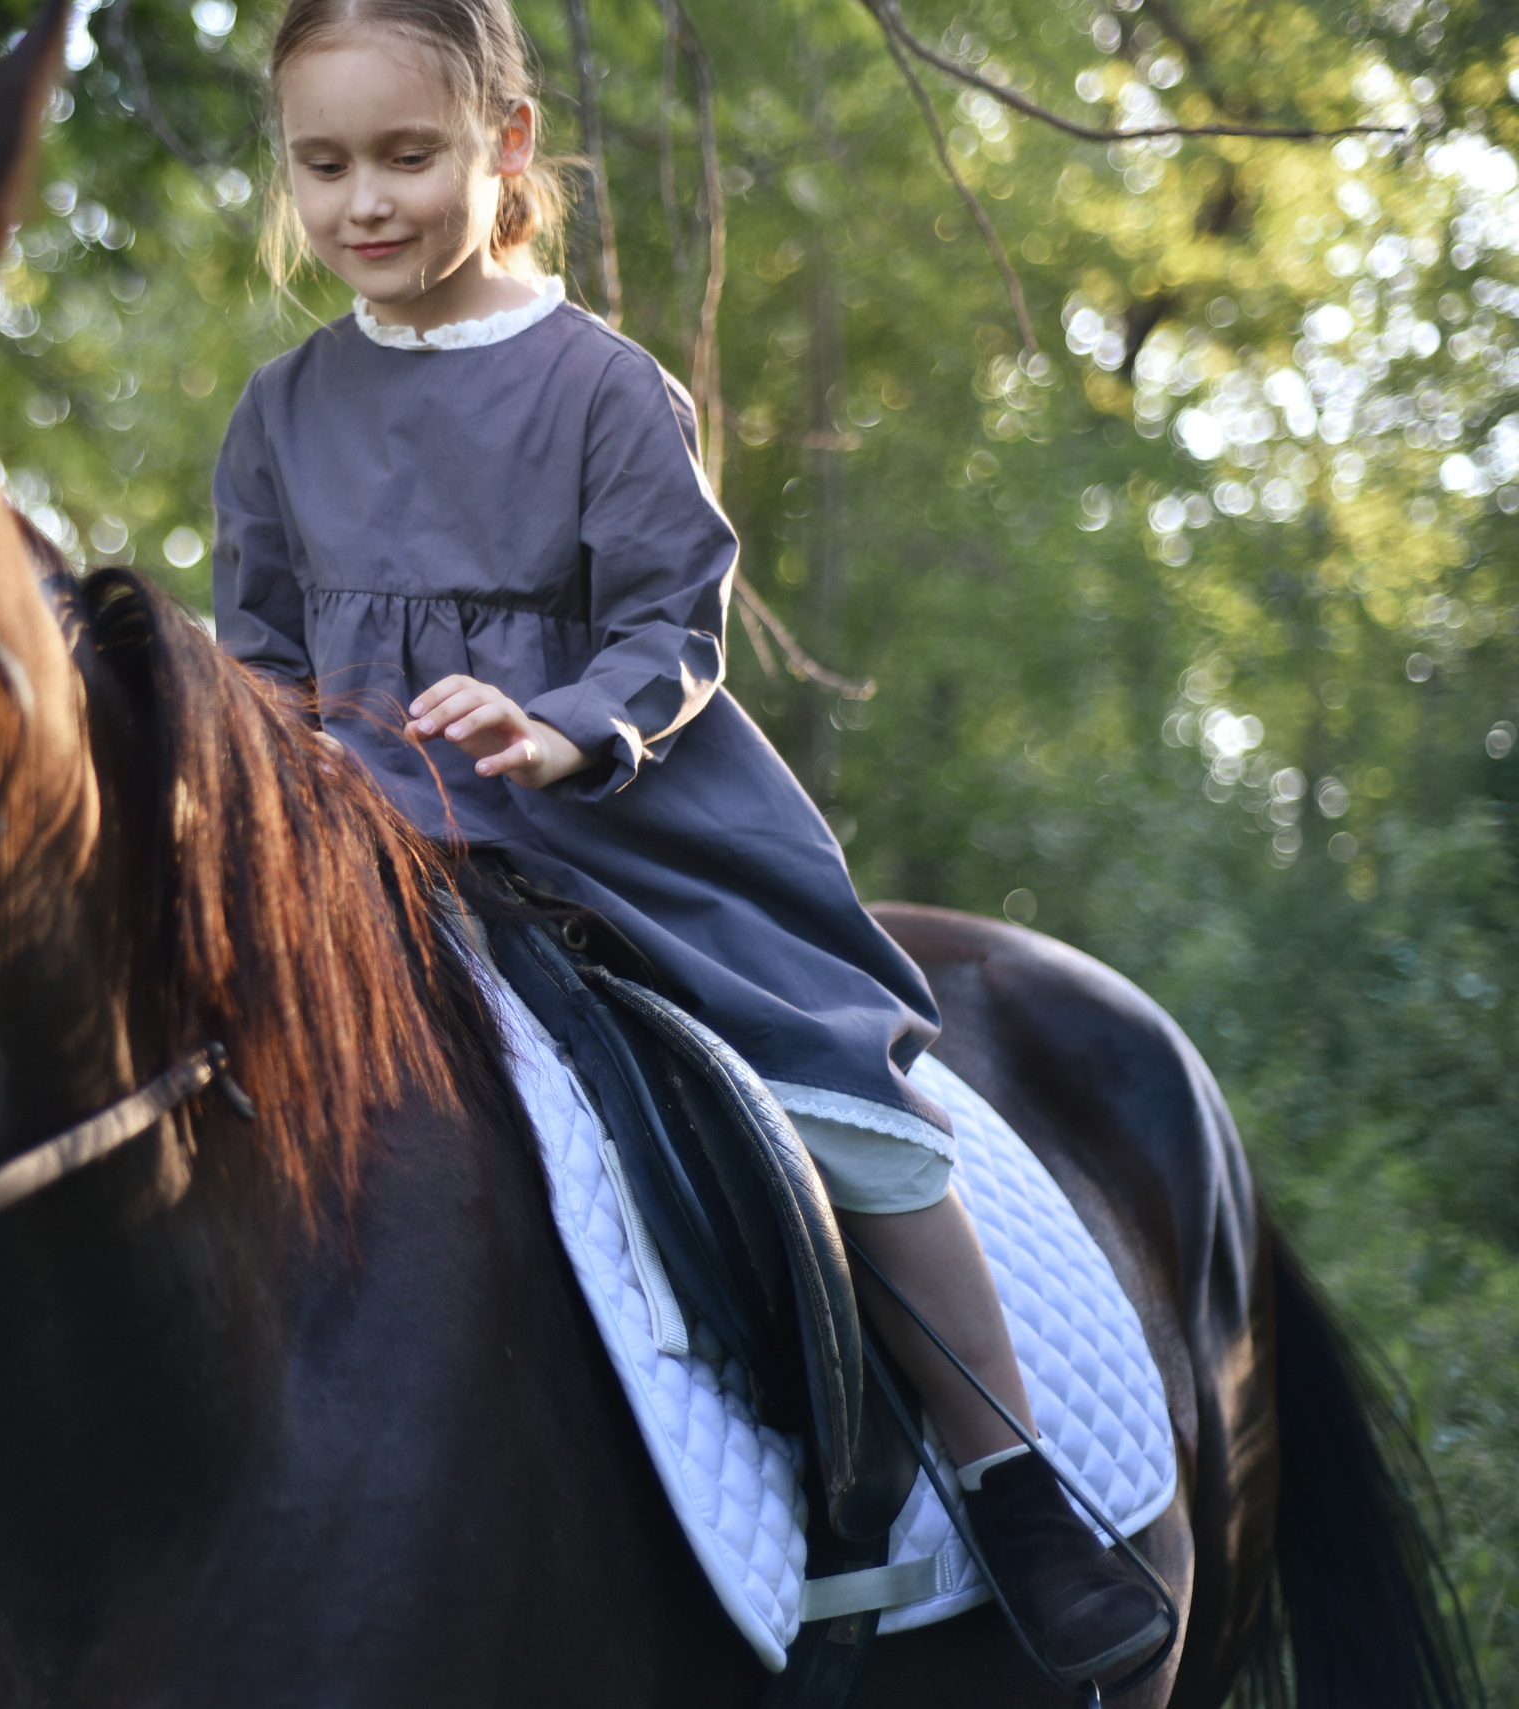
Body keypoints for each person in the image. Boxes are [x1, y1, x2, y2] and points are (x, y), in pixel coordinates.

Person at [207, 0, 1171, 1684]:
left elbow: (672, 622)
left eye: (408, 156)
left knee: (833, 1089)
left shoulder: (601, 388)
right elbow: (260, 665)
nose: (365, 201)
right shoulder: (279, 413)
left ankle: (1006, 1467)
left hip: (614, 833)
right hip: (364, 842)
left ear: (504, 148)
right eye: (325, 163)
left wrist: (564, 723)